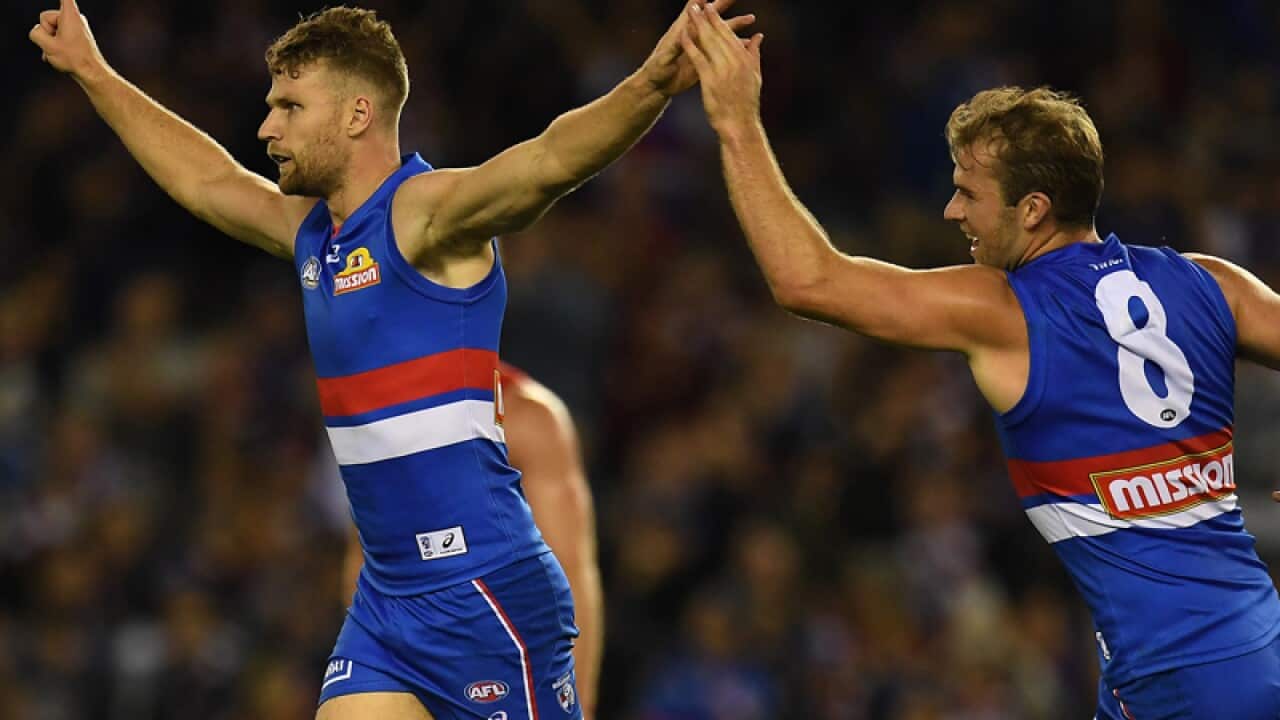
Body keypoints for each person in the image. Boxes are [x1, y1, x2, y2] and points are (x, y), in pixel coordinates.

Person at [29, 1, 757, 718]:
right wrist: (93, 71)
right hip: (387, 600)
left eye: (289, 106)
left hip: (485, 592)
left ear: (355, 115)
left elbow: (549, 160)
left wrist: (653, 84)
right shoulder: (315, 234)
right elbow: (207, 181)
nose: (266, 128)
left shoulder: (425, 214)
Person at [680, 3, 1280, 718]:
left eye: (968, 192)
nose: (950, 212)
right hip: (1219, 656)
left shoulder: (1006, 310)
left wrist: (736, 120)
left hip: (1191, 685)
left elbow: (806, 280)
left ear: (1032, 209)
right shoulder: (1213, 282)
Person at [340, 362, 604, 719]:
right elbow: (364, 558)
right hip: (404, 648)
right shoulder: (382, 414)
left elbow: (571, 571)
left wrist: (579, 705)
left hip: (502, 657)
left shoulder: (527, 416)